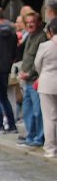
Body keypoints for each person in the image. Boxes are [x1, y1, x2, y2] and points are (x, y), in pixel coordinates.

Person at [17, 12, 47, 148]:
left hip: (35, 80)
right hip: (26, 80)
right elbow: (27, 56)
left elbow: (41, 60)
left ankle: (39, 137)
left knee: (37, 111)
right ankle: (30, 135)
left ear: (38, 22)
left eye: (32, 22)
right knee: (27, 110)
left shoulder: (42, 37)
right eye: (27, 22)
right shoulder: (29, 36)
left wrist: (29, 73)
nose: (29, 24)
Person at [34, 18, 57, 158]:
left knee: (49, 117)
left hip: (48, 82)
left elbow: (37, 64)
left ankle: (50, 148)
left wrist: (43, 74)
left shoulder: (45, 46)